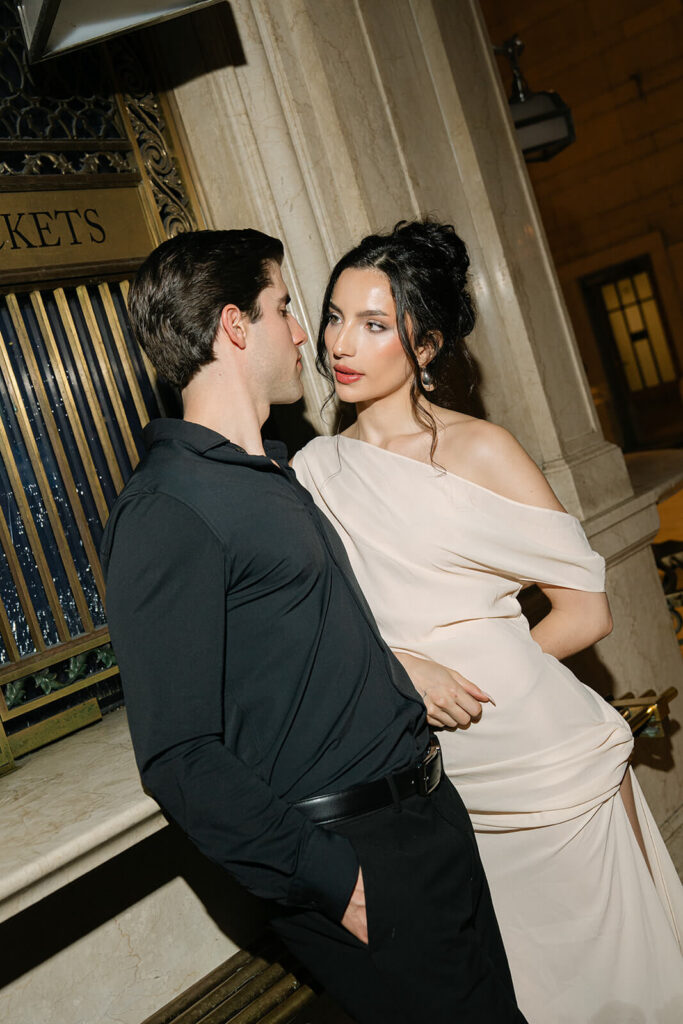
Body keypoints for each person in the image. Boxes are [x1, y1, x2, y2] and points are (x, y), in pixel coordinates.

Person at [100, 228, 528, 1024]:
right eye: (284, 307)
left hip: (424, 822)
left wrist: (398, 667)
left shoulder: (271, 467)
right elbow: (179, 757)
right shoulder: (167, 509)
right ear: (234, 326)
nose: (304, 333)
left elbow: (304, 643)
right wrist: (338, 885)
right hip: (357, 854)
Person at [292, 219, 683, 1024]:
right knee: (517, 997)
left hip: (544, 767)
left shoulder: (481, 450)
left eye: (374, 324)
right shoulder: (314, 469)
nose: (342, 342)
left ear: (425, 346)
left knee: (609, 992)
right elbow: (324, 625)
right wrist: (401, 669)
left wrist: (489, 677)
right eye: (334, 316)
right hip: (435, 775)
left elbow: (585, 611)